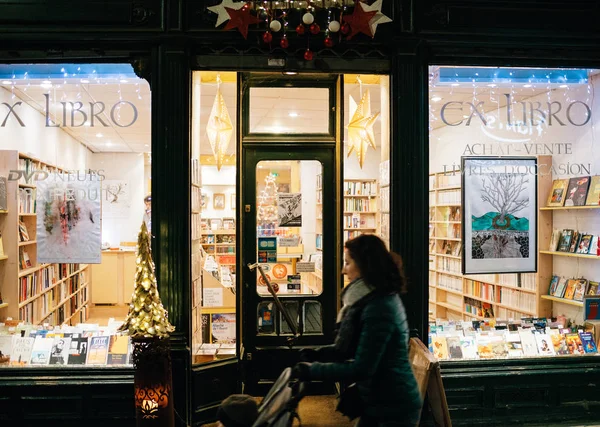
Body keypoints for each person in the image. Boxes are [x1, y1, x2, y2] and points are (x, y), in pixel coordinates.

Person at [292, 234, 422, 427]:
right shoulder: (372, 300)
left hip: (393, 405)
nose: (344, 270)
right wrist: (318, 354)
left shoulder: (379, 308)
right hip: (380, 399)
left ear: (364, 265)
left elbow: (362, 367)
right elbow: (353, 347)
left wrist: (313, 371)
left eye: (348, 263)